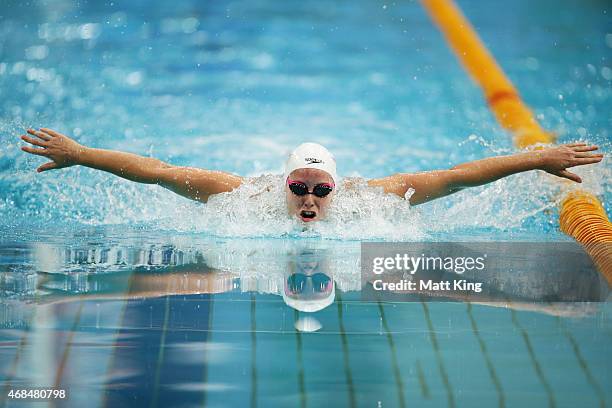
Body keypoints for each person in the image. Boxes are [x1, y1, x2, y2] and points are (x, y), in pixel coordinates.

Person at [20, 128, 603, 223]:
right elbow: (159, 172)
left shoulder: (366, 201)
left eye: (318, 189)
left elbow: (457, 175)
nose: (307, 198)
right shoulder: (245, 199)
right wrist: (82, 153)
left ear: (336, 188)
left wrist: (535, 156)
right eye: (297, 187)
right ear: (281, 185)